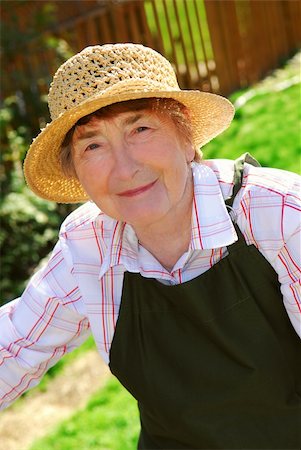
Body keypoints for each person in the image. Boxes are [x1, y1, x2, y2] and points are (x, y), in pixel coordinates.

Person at [0, 43, 300, 449]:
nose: (124, 169)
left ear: (186, 136)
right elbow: (14, 348)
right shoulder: (88, 244)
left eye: (140, 129)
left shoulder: (277, 213)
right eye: (93, 146)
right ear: (77, 174)